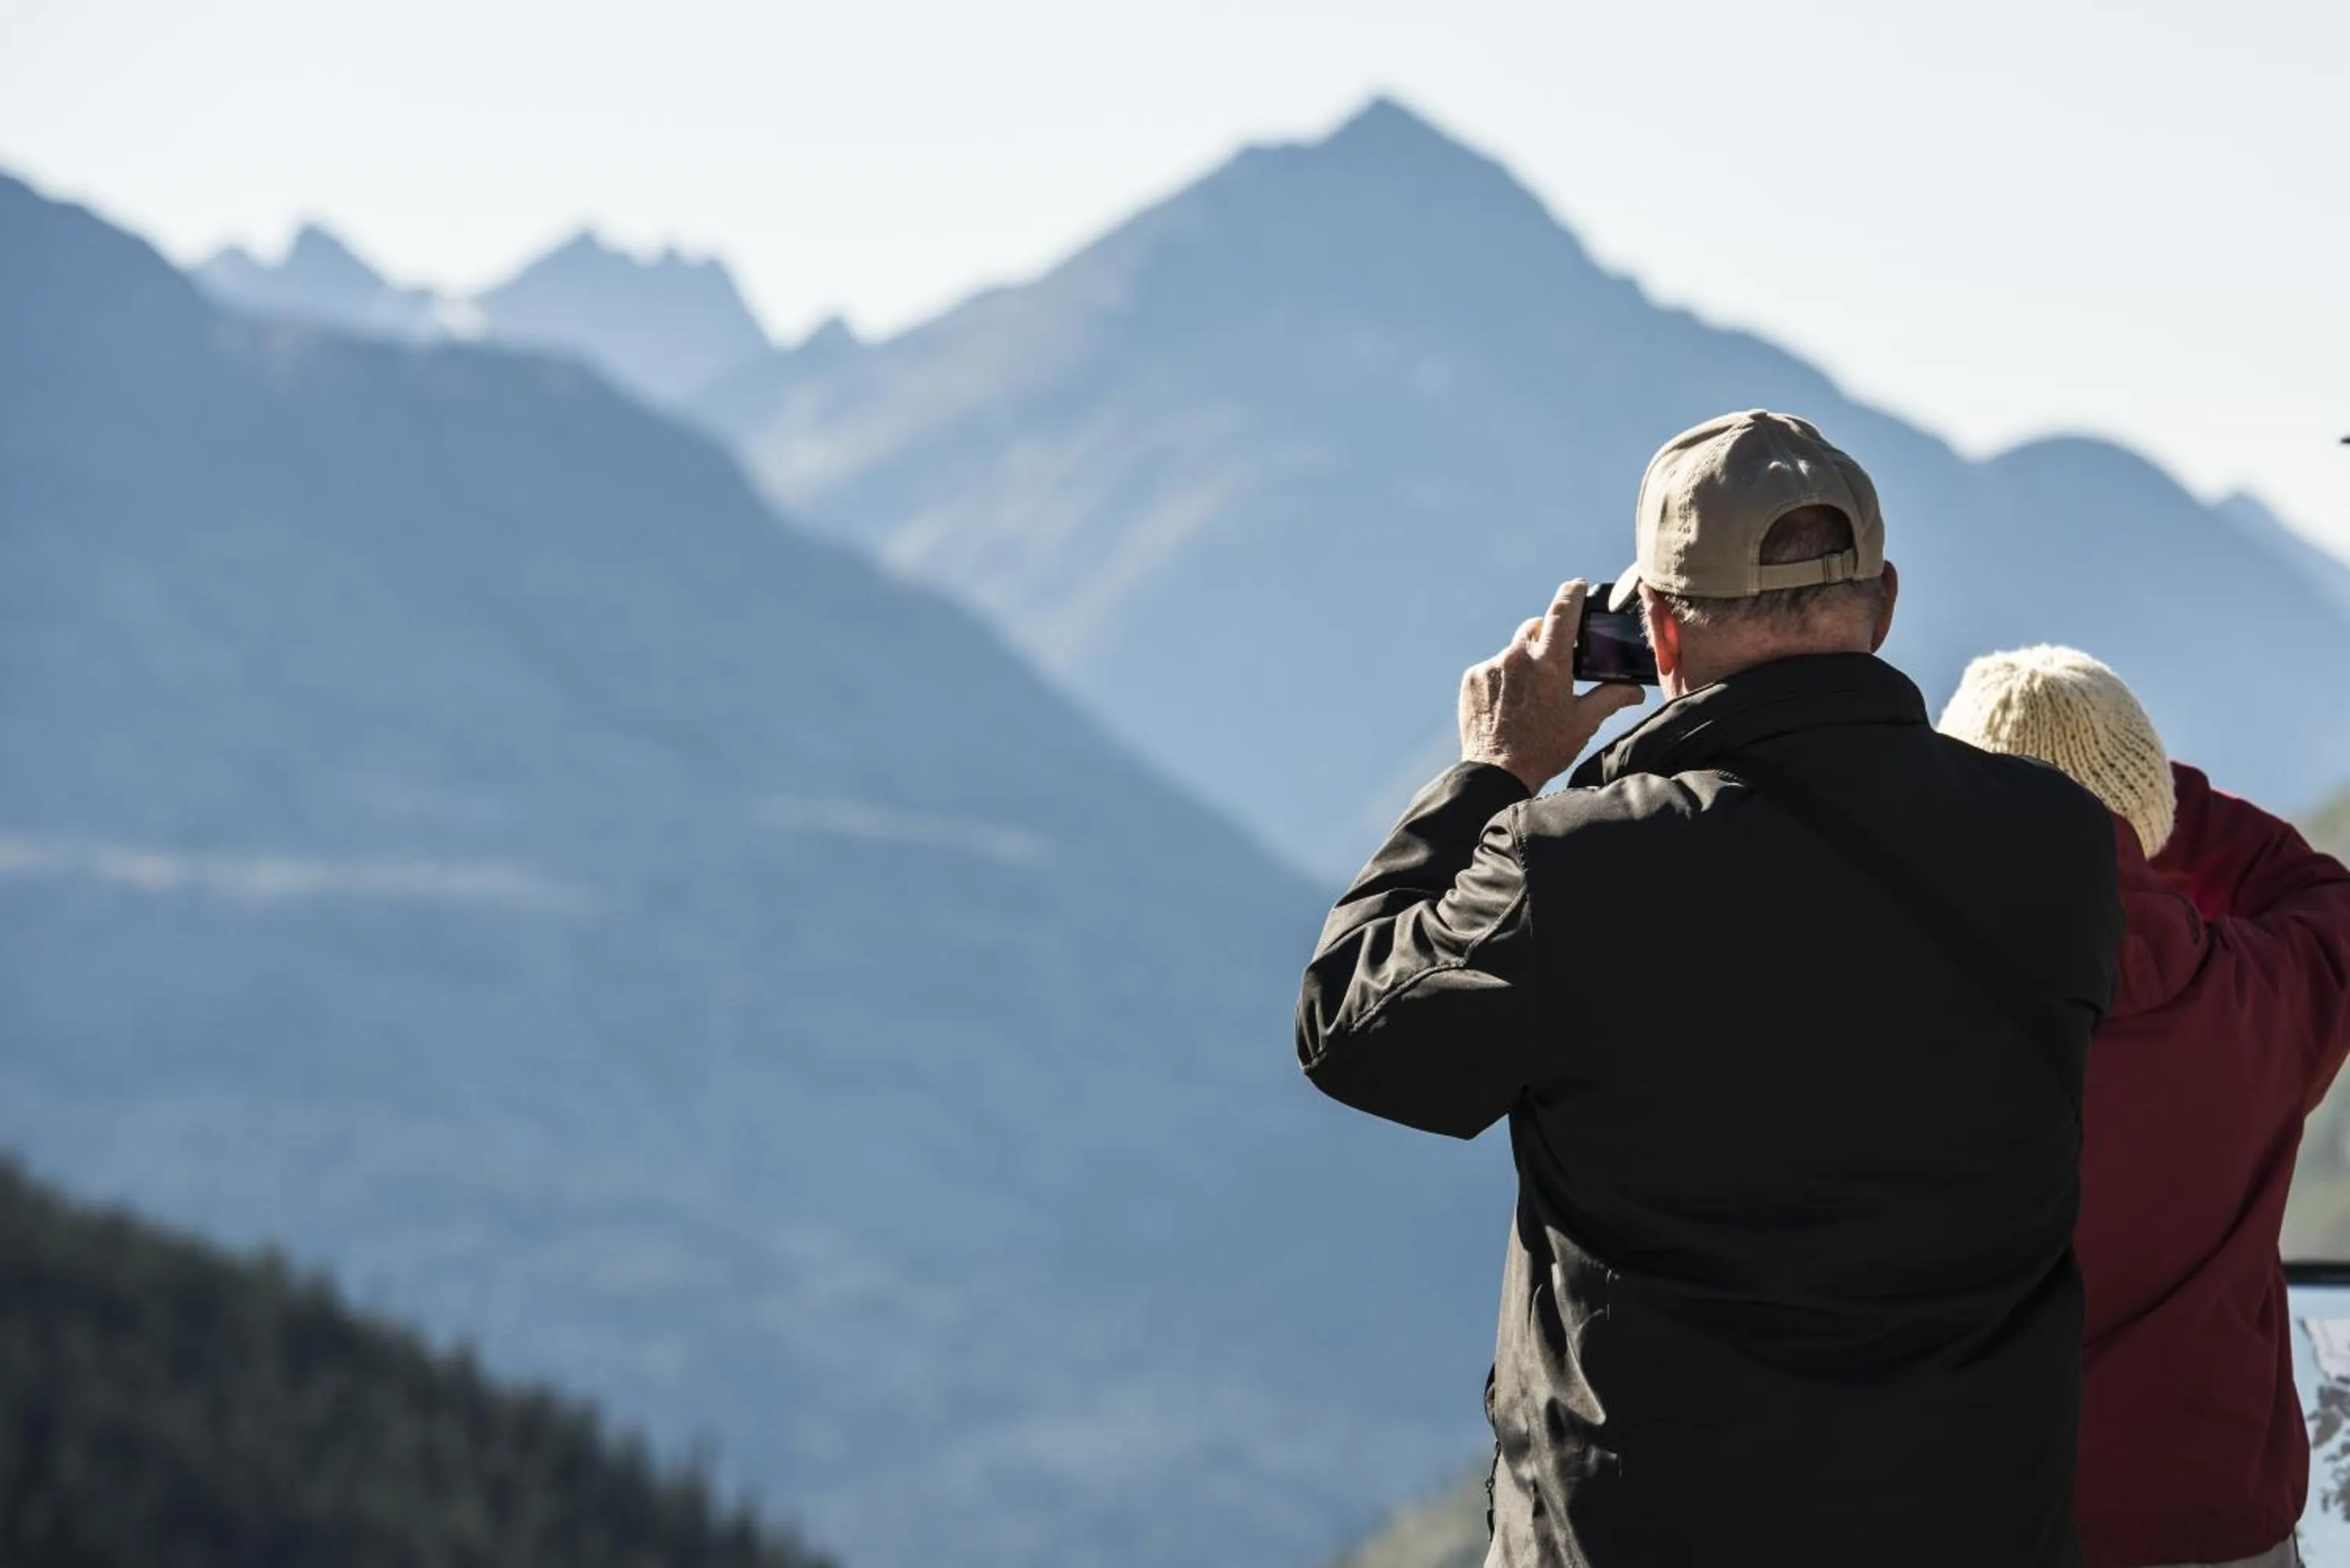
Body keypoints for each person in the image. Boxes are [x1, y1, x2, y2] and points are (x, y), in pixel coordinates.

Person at [1295, 410, 2124, 1566]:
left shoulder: (1572, 864)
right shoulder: (2063, 846)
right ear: (1881, 607)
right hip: (1974, 1522)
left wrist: (1494, 773)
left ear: (1663, 636)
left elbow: (1353, 1030)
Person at [1941, 645, 2350, 1568]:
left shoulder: (1895, 1022)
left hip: (1980, 1521)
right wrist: (2146, 797)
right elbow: (2323, 896)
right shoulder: (2257, 1000)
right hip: (2218, 1531)